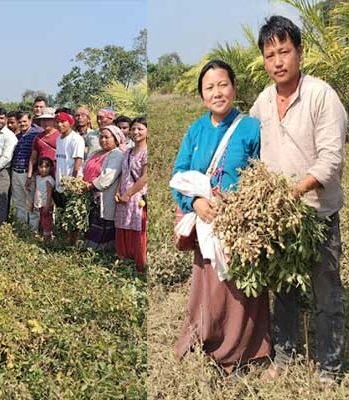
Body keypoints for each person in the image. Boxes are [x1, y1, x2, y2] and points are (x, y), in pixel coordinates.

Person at [249, 16, 347, 382]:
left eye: (284, 51)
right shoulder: (262, 100)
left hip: (316, 213)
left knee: (327, 293)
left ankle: (330, 369)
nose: (277, 61)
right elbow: (249, 147)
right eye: (270, 54)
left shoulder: (322, 95)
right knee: (285, 290)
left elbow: (331, 158)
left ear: (299, 53)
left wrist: (294, 190)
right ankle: (286, 358)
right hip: (280, 218)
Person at [172, 60, 270, 373]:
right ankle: (209, 339)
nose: (217, 92)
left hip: (240, 224)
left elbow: (263, 173)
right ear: (202, 96)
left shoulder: (251, 127)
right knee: (211, 287)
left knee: (242, 290)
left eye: (223, 84)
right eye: (209, 88)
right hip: (206, 223)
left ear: (234, 88)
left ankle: (245, 349)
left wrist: (244, 208)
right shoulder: (196, 130)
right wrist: (195, 202)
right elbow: (178, 174)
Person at [114, 117, 148, 272]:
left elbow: (145, 177)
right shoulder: (127, 152)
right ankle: (123, 259)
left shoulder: (147, 152)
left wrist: (129, 193)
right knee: (122, 226)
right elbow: (123, 173)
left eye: (140, 129)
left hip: (136, 196)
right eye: (133, 129)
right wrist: (118, 192)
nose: (135, 132)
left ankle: (139, 264)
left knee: (137, 228)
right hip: (123, 196)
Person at [82, 125, 123, 250]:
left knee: (103, 221)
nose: (103, 140)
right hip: (90, 192)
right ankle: (89, 247)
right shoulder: (96, 153)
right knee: (92, 221)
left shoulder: (117, 154)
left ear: (116, 139)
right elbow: (84, 167)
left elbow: (107, 178)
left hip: (104, 194)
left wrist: (90, 185)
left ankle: (102, 250)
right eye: (101, 137)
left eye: (107, 137)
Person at [52, 111, 85, 245]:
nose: (60, 125)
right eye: (57, 122)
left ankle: (73, 243)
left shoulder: (76, 139)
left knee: (72, 215)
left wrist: (73, 181)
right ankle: (64, 242)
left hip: (71, 184)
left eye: (63, 122)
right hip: (60, 182)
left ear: (70, 122)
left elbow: (78, 161)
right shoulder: (59, 139)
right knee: (63, 213)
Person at [10, 111, 42, 231]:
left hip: (28, 174)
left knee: (31, 202)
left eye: (25, 121)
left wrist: (30, 175)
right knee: (19, 202)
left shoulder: (36, 134)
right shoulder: (16, 137)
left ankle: (33, 230)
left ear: (30, 121)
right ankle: (21, 227)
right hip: (16, 172)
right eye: (20, 122)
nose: (22, 124)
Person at [27, 107, 58, 186]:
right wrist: (29, 176)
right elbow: (33, 158)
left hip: (57, 174)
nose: (45, 122)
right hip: (42, 174)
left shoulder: (60, 136)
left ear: (54, 121)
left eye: (48, 119)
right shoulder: (38, 137)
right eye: (43, 120)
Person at [30, 157, 55, 241]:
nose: (43, 169)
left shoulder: (49, 180)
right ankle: (40, 236)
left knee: (46, 222)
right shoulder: (38, 178)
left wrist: (47, 206)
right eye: (41, 167)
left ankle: (47, 239)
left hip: (45, 204)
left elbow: (49, 194)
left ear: (50, 168)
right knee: (40, 221)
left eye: (46, 167)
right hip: (39, 203)